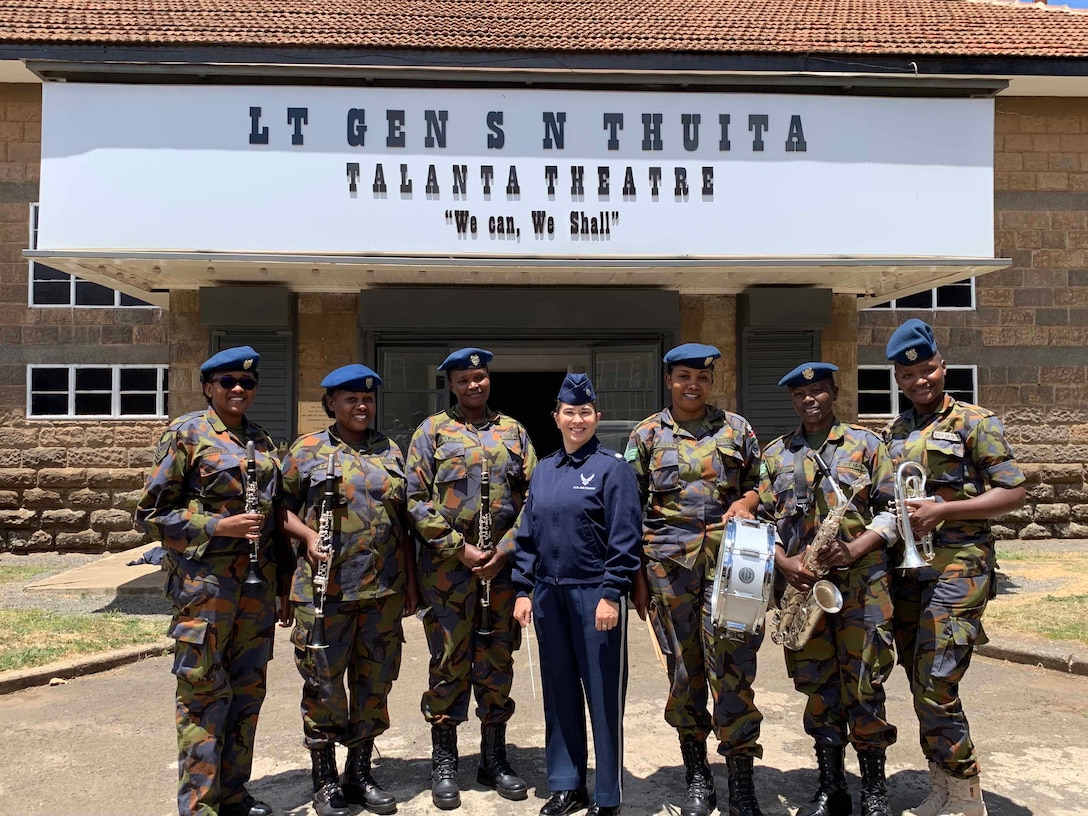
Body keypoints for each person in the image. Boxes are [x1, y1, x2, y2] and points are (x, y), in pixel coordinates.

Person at [136, 346, 292, 816]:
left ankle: (235, 794)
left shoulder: (262, 442)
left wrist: (283, 585)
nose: (239, 389)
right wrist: (216, 526)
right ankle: (200, 806)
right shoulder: (187, 434)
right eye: (228, 382)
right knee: (203, 698)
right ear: (209, 387)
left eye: (247, 382)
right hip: (205, 592)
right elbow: (150, 515)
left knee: (247, 695)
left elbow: (276, 519)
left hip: (256, 589)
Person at [883, 319, 1026, 816]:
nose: (920, 381)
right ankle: (941, 784)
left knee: (939, 679)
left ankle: (966, 795)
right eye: (910, 375)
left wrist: (944, 510)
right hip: (909, 572)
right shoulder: (896, 431)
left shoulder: (975, 422)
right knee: (919, 678)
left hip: (960, 567)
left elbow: (1014, 491)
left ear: (942, 367)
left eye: (928, 370)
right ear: (898, 381)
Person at [624, 342, 765, 816]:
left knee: (735, 665)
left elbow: (761, 480)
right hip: (668, 572)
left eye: (702, 378)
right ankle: (697, 774)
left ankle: (741, 778)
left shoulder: (736, 429)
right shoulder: (646, 435)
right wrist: (636, 580)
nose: (693, 385)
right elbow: (629, 509)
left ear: (711, 382)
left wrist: (748, 501)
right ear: (669, 380)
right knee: (684, 671)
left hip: (734, 567)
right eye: (684, 376)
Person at [757, 362, 898, 816]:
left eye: (818, 391)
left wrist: (855, 548)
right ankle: (831, 787)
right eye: (800, 395)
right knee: (817, 686)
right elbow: (761, 521)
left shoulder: (867, 444)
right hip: (803, 590)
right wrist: (785, 562)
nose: (809, 400)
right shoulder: (777, 454)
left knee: (864, 683)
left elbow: (895, 511)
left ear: (834, 392)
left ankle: (874, 791)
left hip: (861, 587)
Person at [279, 364, 420, 816]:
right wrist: (305, 538)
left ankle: (359, 773)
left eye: (368, 399)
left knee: (375, 683)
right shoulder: (308, 450)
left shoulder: (390, 451)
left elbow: (404, 525)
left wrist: (412, 586)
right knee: (323, 685)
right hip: (325, 594)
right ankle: (324, 781)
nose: (361, 406)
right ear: (331, 404)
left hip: (383, 592)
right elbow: (278, 511)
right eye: (350, 399)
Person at [405, 347, 538, 810]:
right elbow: (416, 499)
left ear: (488, 380)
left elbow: (534, 499)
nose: (473, 386)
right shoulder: (432, 432)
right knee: (448, 663)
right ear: (452, 385)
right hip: (448, 574)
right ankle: (445, 761)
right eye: (463, 380)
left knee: (498, 662)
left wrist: (504, 552)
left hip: (500, 573)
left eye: (479, 377)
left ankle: (494, 758)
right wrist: (458, 548)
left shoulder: (515, 432)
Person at [510, 373, 643, 816]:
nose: (577, 419)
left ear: (596, 417)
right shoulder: (544, 469)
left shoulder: (612, 468)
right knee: (559, 692)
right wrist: (524, 589)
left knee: (603, 696)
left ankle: (608, 795)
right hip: (549, 595)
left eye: (585, 412)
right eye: (570, 412)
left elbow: (626, 539)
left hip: (594, 596)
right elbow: (528, 533)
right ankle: (568, 784)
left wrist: (611, 593)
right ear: (556, 417)